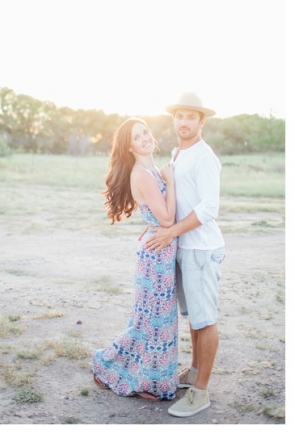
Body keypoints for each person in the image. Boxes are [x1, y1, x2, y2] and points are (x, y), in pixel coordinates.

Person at [145, 93, 224, 418]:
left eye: (191, 117)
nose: (184, 122)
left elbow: (209, 208)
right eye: (179, 116)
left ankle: (201, 392)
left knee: (205, 320)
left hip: (201, 249)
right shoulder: (179, 153)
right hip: (183, 246)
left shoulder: (205, 157)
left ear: (201, 121)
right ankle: (193, 372)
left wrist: (171, 232)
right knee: (193, 315)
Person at [90, 118, 179, 401]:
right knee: (150, 320)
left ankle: (148, 380)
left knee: (157, 319)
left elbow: (156, 215)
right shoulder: (143, 173)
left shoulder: (151, 169)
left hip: (159, 248)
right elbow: (167, 218)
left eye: (146, 133)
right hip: (156, 253)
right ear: (129, 147)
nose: (145, 139)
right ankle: (113, 367)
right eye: (137, 137)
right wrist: (171, 182)